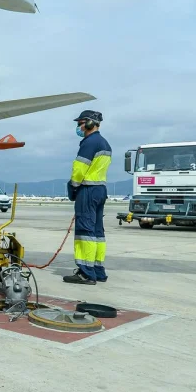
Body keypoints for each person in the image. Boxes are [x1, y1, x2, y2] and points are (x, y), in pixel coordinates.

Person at [64, 109, 111, 285]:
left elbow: (79, 170)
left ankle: (86, 272)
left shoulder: (89, 142)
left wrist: (73, 187)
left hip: (88, 190)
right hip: (100, 189)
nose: (79, 127)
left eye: (81, 123)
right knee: (98, 232)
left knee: (85, 231)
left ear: (90, 123)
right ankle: (98, 270)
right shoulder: (104, 143)